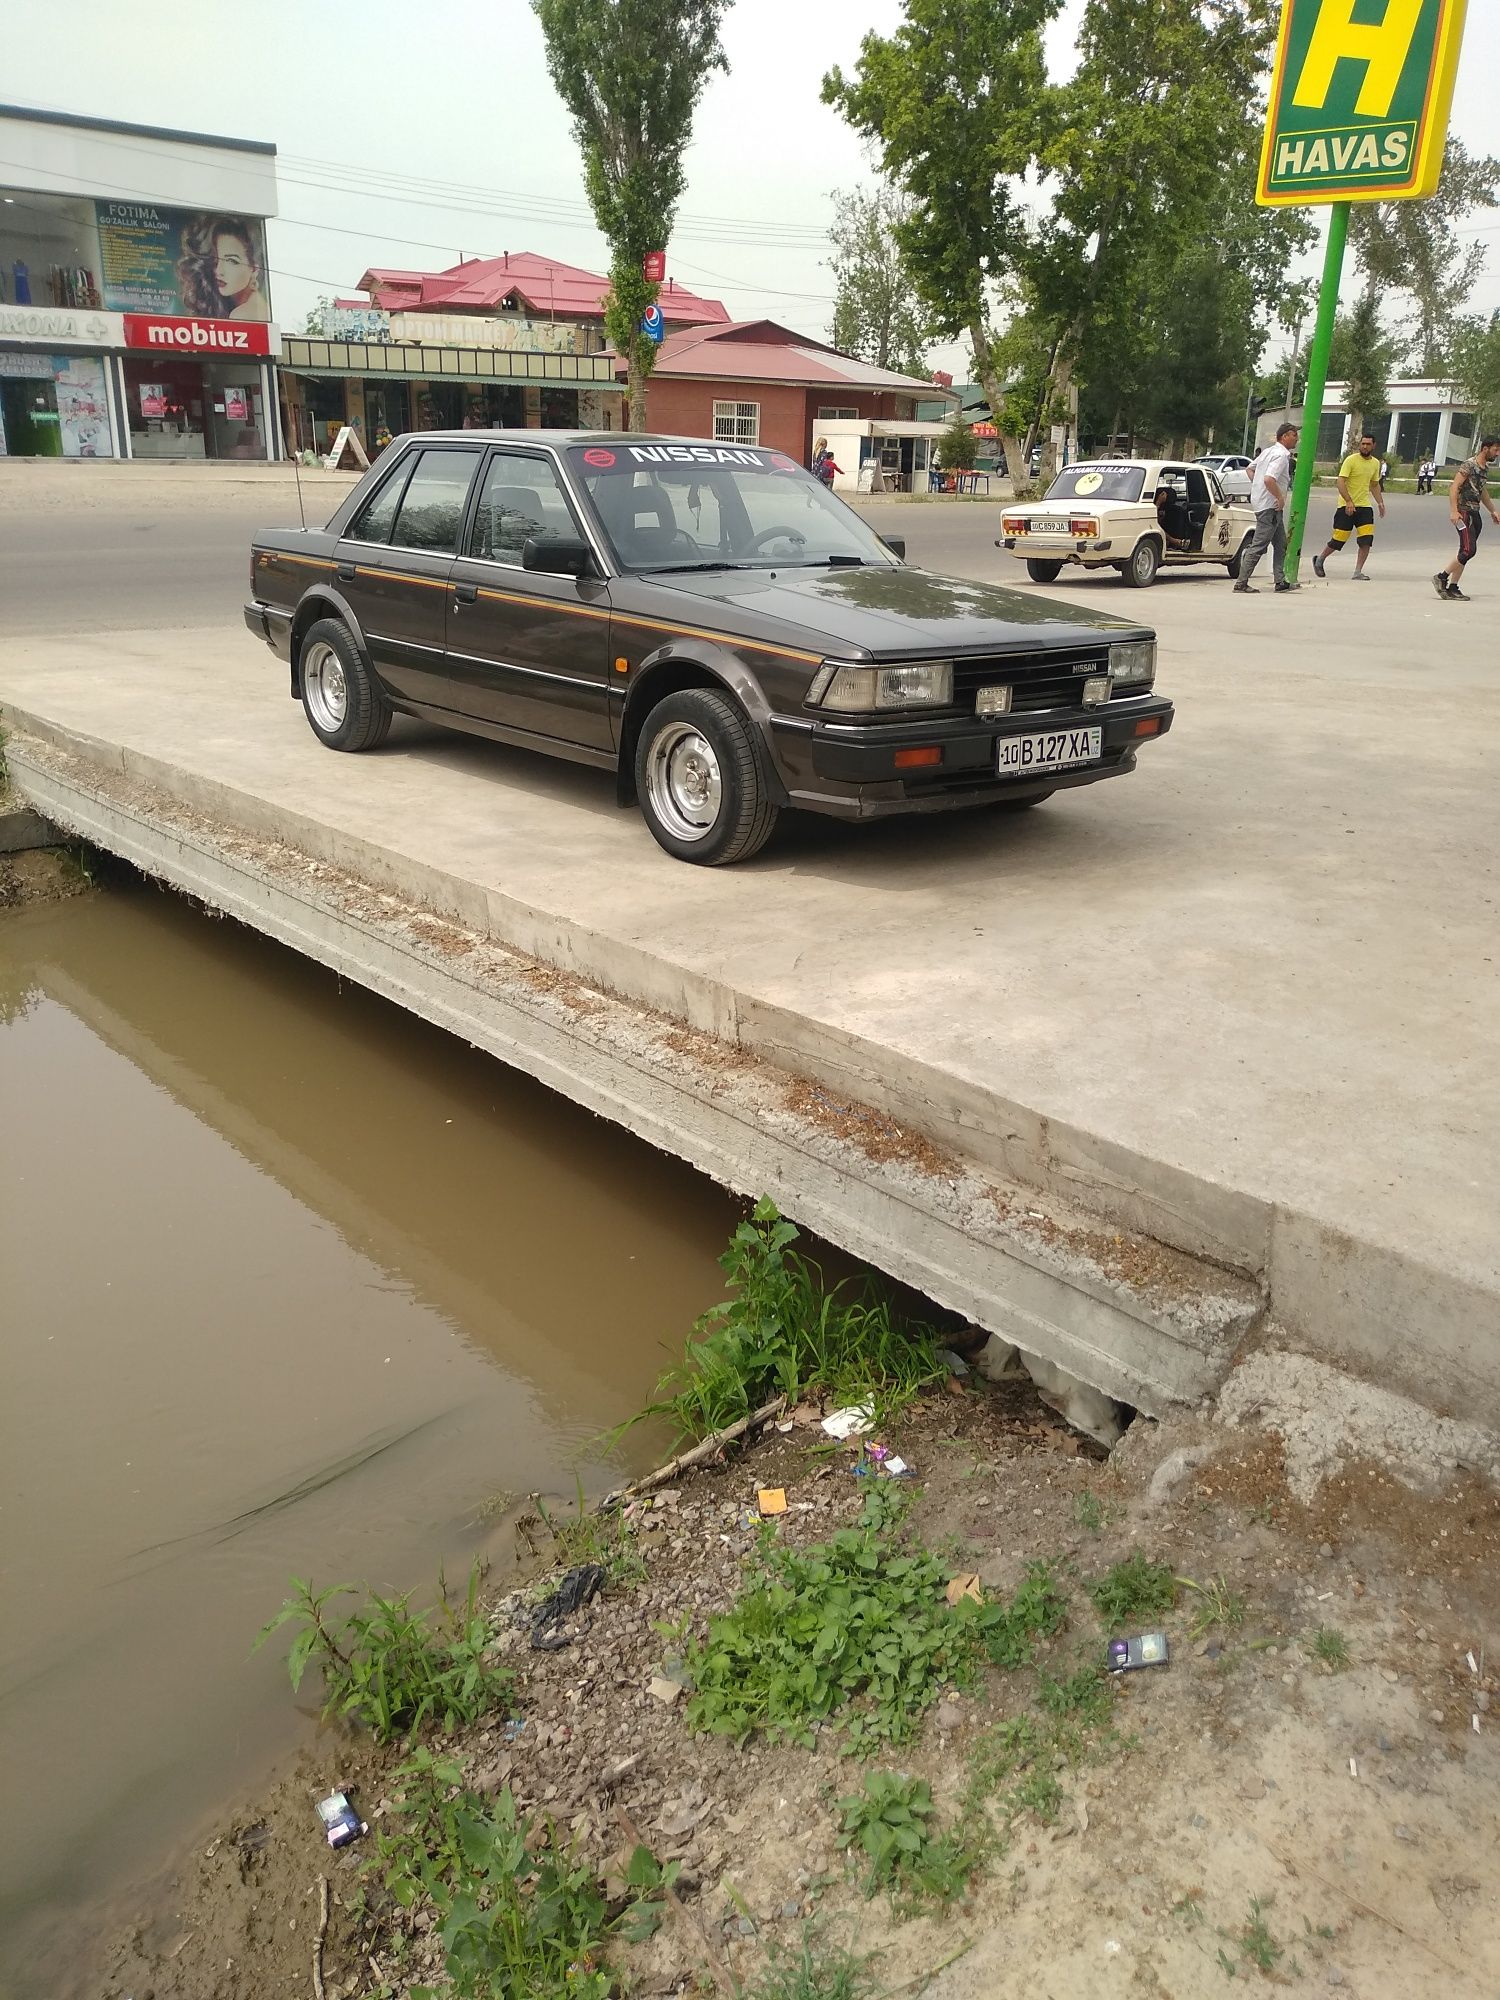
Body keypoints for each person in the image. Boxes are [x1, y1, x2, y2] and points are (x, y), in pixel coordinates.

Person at [1432, 434, 1500, 602]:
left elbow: (1481, 491)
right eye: (1496, 449)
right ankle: (1441, 577)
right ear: (1486, 448)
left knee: (1465, 551)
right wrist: (1454, 511)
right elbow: (1454, 487)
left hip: (1475, 512)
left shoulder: (1484, 468)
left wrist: (1493, 510)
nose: (1497, 453)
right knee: (1469, 550)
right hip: (1463, 512)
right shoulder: (1469, 464)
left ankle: (1453, 587)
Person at [1233, 421, 1299, 594]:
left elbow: (1250, 469)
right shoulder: (1281, 455)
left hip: (1265, 504)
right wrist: (1278, 496)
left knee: (1280, 543)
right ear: (1284, 436)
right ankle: (1241, 583)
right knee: (1259, 545)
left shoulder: (1268, 451)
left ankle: (1280, 581)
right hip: (1269, 507)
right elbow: (1269, 479)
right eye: (1294, 435)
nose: (1297, 439)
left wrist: (1258, 489)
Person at [1312, 434, 1385, 580]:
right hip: (1346, 506)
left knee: (1366, 540)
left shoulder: (1375, 463)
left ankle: (1357, 572)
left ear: (1374, 446)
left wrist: (1380, 502)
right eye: (1363, 444)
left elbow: (1374, 484)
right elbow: (1340, 481)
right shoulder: (1351, 460)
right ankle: (1320, 559)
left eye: (1368, 444)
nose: (1365, 446)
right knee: (1339, 539)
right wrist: (1348, 501)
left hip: (1364, 507)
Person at [1153, 484, 1191, 551]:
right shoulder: (1155, 508)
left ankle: (1174, 542)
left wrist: (1158, 503)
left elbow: (1154, 523)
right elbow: (1153, 524)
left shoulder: (1175, 511)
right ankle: (1175, 542)